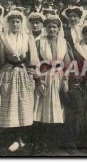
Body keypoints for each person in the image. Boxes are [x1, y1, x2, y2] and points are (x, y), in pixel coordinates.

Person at [0, 10, 38, 152]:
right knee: (8, 104)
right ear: (8, 23)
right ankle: (9, 138)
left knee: (23, 104)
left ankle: (21, 139)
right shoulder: (3, 37)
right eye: (12, 21)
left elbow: (32, 59)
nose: (15, 24)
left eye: (18, 21)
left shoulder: (27, 37)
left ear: (21, 23)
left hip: (23, 72)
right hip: (8, 72)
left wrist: (31, 73)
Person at [33, 15, 72, 151]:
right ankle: (41, 141)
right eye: (49, 27)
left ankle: (54, 141)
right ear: (45, 28)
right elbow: (35, 62)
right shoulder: (39, 41)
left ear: (58, 28)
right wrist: (39, 80)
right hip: (44, 77)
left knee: (58, 108)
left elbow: (68, 63)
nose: (52, 29)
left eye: (54, 27)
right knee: (42, 108)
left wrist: (66, 80)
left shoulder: (63, 42)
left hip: (59, 77)